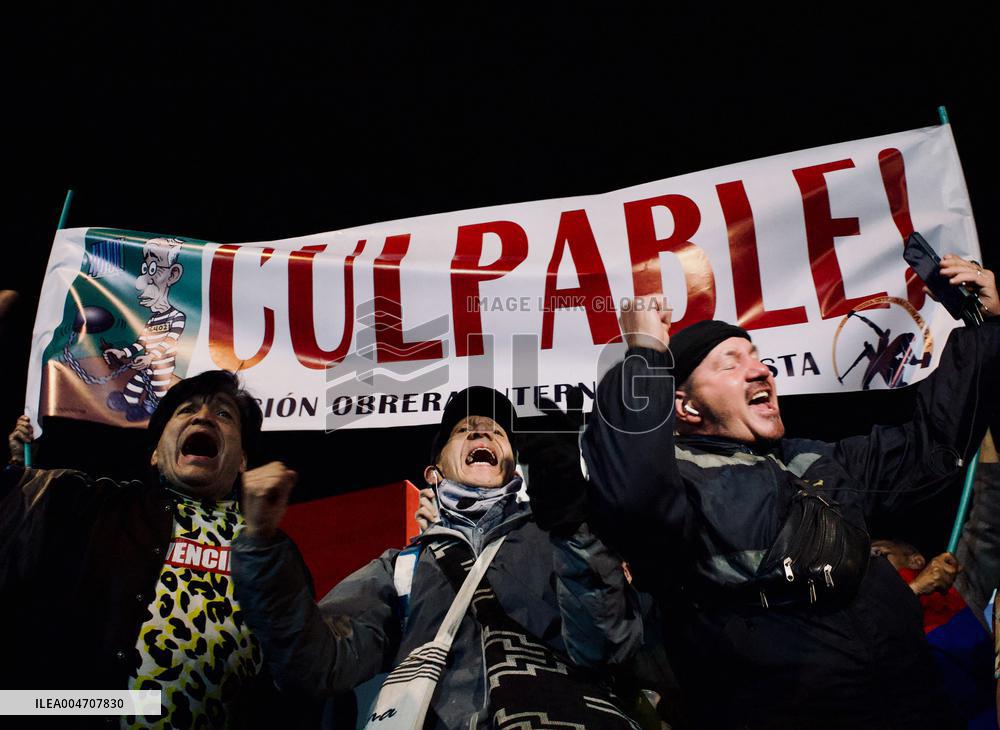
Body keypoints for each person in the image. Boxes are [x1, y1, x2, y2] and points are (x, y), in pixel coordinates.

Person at [576, 254, 1000, 728]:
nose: (760, 371)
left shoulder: (819, 459)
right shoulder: (681, 482)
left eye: (757, 356)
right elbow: (633, 493)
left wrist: (981, 325)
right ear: (686, 406)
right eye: (731, 364)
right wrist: (645, 355)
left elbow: (935, 444)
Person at [232, 386, 644, 729]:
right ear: (434, 472)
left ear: (514, 468)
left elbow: (608, 648)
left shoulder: (562, 541)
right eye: (465, 429)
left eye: (497, 431)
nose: (482, 432)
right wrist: (261, 547)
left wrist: (574, 527)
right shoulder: (400, 569)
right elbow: (318, 664)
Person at [0, 370, 300, 729]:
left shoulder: (269, 549)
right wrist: (16, 471)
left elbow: (301, 670)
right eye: (185, 410)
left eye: (224, 414)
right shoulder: (96, 506)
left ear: (242, 462)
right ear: (156, 453)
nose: (203, 417)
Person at [103, 237, 187, 421]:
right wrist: (121, 352)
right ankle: (128, 401)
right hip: (147, 365)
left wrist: (151, 357)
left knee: (158, 395)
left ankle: (149, 410)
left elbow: (169, 341)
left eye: (153, 269)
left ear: (173, 275)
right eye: (145, 269)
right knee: (136, 382)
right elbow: (140, 343)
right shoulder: (152, 320)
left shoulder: (177, 317)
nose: (142, 281)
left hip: (163, 368)